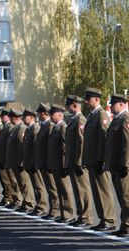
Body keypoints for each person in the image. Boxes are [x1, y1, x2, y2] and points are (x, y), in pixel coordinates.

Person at [104, 92, 129, 237]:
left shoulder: (126, 119)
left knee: (126, 196)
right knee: (121, 196)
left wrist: (126, 164)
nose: (111, 107)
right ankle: (125, 223)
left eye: (113, 104)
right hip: (115, 164)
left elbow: (128, 144)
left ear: (122, 104)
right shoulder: (116, 120)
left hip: (122, 165)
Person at [83, 87, 116, 231]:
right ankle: (103, 218)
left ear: (96, 99)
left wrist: (102, 160)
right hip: (92, 160)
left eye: (88, 99)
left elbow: (104, 139)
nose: (86, 101)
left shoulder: (101, 115)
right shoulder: (91, 116)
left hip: (98, 160)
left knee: (103, 190)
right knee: (97, 191)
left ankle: (109, 219)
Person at [65, 95, 94, 227]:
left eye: (69, 105)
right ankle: (81, 214)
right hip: (72, 160)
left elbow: (81, 142)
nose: (67, 108)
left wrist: (79, 162)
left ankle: (86, 216)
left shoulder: (80, 120)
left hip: (78, 162)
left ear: (75, 105)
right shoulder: (73, 120)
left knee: (83, 189)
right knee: (77, 189)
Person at [47, 103, 76, 223]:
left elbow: (65, 147)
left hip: (61, 164)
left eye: (52, 114)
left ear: (59, 114)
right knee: (59, 189)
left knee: (65, 189)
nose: (50, 116)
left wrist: (65, 165)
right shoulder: (56, 127)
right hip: (55, 164)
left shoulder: (62, 127)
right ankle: (63, 213)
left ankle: (68, 213)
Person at [35, 103, 61, 220]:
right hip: (45, 161)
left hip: (48, 161)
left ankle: (55, 210)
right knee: (49, 187)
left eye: (39, 113)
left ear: (42, 114)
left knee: (53, 187)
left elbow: (50, 145)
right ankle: (52, 209)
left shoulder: (49, 126)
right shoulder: (44, 125)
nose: (38, 115)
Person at [6, 108, 34, 212]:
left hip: (20, 162)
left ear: (14, 118)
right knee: (19, 183)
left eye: (10, 117)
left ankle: (29, 203)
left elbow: (22, 147)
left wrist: (22, 162)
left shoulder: (21, 128)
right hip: (15, 161)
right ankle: (24, 203)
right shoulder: (15, 128)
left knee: (24, 183)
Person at [22, 108, 47, 216]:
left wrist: (34, 162)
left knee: (39, 186)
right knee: (35, 185)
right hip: (30, 162)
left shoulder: (35, 128)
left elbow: (36, 148)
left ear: (31, 117)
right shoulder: (29, 129)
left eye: (25, 116)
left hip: (34, 163)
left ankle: (42, 206)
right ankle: (39, 205)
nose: (23, 118)